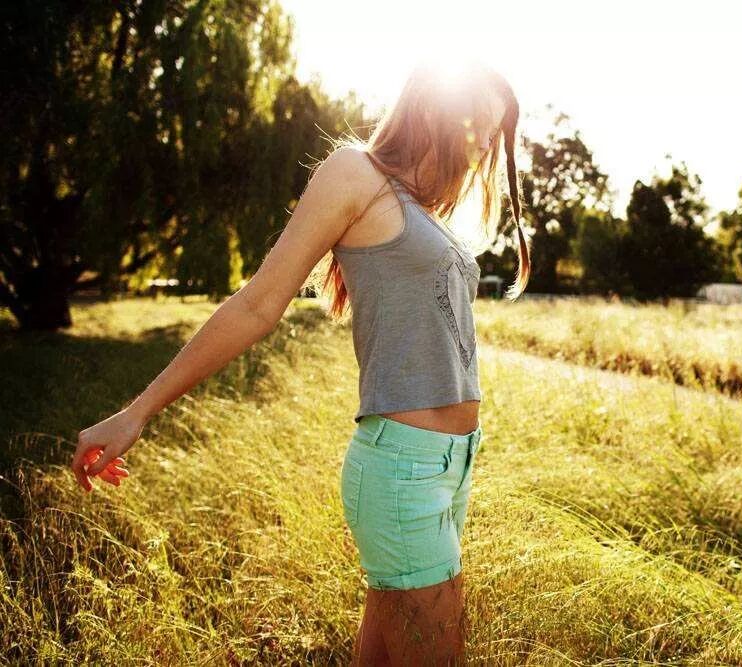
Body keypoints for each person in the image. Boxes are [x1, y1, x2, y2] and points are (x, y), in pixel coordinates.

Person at [70, 58, 531, 665]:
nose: (478, 148)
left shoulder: (425, 212)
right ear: (431, 104)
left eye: (490, 136)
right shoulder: (356, 174)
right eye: (474, 125)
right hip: (404, 472)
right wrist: (138, 411)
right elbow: (257, 305)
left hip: (451, 465)